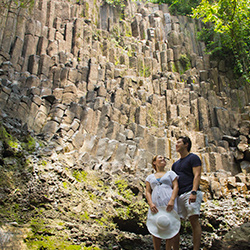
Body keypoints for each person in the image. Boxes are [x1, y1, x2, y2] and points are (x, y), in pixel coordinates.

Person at [172, 136, 202, 250]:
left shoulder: (193, 158)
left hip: (191, 192)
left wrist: (194, 191)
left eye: (179, 142)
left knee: (193, 219)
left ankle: (196, 248)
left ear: (186, 144)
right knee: (176, 222)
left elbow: (197, 175)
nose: (176, 144)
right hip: (179, 195)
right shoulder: (175, 164)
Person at [145, 155, 180, 250]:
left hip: (169, 201)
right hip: (156, 204)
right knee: (155, 226)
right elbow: (148, 191)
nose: (163, 159)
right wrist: (151, 203)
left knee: (170, 226)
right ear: (154, 162)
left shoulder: (171, 173)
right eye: (160, 158)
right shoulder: (150, 177)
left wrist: (172, 200)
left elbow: (176, 186)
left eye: (164, 158)